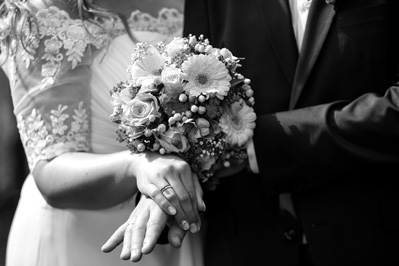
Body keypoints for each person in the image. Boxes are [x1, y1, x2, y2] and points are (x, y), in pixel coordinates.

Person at [103, 0, 399, 265]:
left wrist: (263, 145)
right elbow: (192, 91)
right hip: (246, 244)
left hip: (372, 239)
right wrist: (168, 194)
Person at [0, 0, 205, 265]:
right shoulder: (44, 8)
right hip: (79, 237)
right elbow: (49, 166)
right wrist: (138, 167)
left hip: (173, 224)